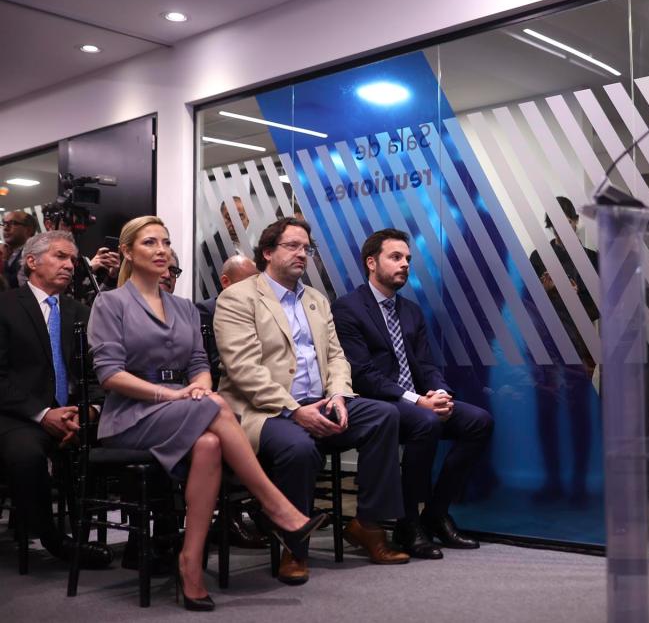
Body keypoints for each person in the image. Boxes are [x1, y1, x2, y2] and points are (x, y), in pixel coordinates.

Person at [88, 216, 322, 611]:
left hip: (182, 407)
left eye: (165, 241)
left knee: (212, 443)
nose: (161, 250)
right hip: (128, 416)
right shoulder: (109, 303)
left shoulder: (183, 307)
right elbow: (110, 375)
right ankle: (276, 506)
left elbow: (200, 363)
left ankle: (190, 563)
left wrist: (199, 386)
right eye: (149, 243)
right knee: (215, 407)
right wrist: (172, 395)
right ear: (128, 251)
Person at [214, 217, 408, 585]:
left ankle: (368, 525)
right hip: (264, 411)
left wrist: (337, 394)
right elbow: (243, 370)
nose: (303, 253)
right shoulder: (238, 298)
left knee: (384, 415)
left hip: (318, 403)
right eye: (293, 246)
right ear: (268, 252)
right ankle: (294, 547)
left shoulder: (317, 300)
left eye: (307, 247)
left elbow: (336, 357)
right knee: (300, 449)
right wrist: (294, 409)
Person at [332, 229, 494, 558]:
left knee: (479, 421)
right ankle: (407, 523)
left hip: (418, 401)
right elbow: (363, 375)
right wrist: (418, 401)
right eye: (396, 257)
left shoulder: (411, 311)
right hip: (378, 403)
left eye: (408, 259)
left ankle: (435, 513)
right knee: (425, 422)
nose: (405, 264)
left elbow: (426, 363)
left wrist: (441, 394)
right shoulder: (348, 308)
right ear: (371, 263)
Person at [0, 231, 112, 568]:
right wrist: (42, 413)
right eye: (60, 257)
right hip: (19, 415)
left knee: (132, 440)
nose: (69, 265)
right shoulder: (5, 307)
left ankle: (139, 544)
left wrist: (89, 410)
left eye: (73, 260)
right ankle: (51, 537)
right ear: (32, 262)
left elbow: (98, 373)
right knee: (26, 453)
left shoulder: (81, 311)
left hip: (75, 415)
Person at [194, 254, 267, 550]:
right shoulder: (205, 311)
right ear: (226, 282)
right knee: (233, 420)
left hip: (255, 387)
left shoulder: (262, 310)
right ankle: (233, 512)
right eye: (248, 283)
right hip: (222, 388)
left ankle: (266, 507)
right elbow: (211, 361)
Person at [526, 199, 597, 505]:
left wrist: (577, 294)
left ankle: (580, 483)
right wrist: (543, 290)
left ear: (575, 221)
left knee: (579, 417)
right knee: (547, 417)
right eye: (556, 222)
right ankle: (552, 481)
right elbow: (526, 304)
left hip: (580, 346)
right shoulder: (538, 257)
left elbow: (601, 306)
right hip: (546, 346)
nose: (563, 226)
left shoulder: (593, 259)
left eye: (567, 220)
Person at [3, 211, 39, 288]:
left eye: (12, 223)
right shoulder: (7, 253)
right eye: (4, 223)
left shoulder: (36, 253)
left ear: (29, 230)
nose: (5, 228)